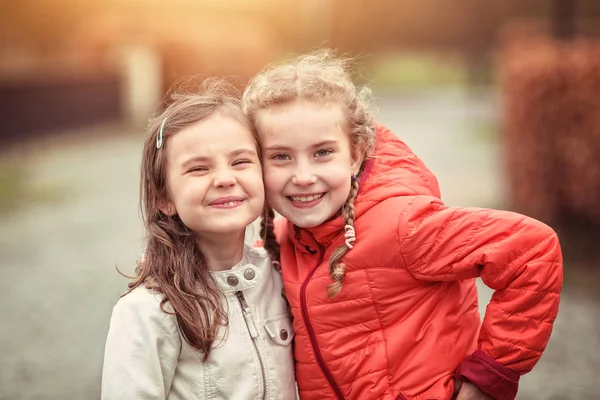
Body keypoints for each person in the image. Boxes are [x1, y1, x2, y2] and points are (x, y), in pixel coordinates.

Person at [243, 51, 563, 400]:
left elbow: (532, 250)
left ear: (355, 154)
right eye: (280, 157)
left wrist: (488, 377)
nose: (303, 176)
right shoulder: (283, 239)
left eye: (322, 153)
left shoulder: (403, 225)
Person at [101, 80, 296, 400]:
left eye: (240, 161)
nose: (224, 178)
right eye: (198, 168)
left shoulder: (281, 278)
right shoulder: (147, 311)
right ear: (165, 197)